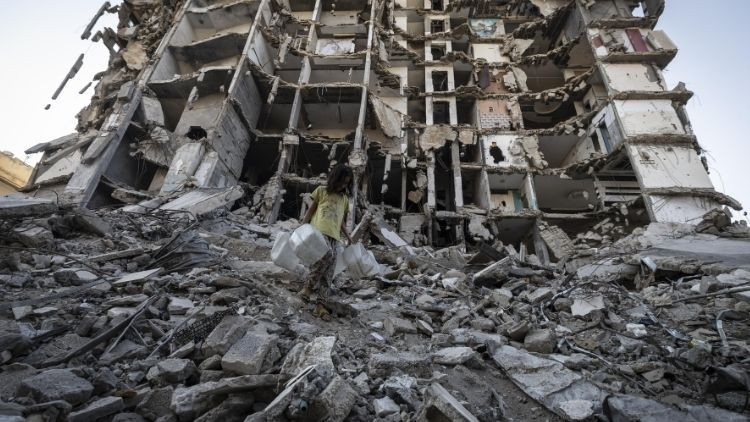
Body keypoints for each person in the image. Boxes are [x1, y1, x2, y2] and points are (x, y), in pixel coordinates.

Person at [300, 164, 353, 316]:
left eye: (346, 183)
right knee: (327, 254)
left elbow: (341, 221)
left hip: (334, 237)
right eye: (342, 182)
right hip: (319, 232)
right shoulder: (321, 191)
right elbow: (311, 209)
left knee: (329, 272)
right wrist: (302, 225)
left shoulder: (344, 199)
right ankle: (308, 287)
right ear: (335, 179)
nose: (343, 186)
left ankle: (320, 305)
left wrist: (348, 236)